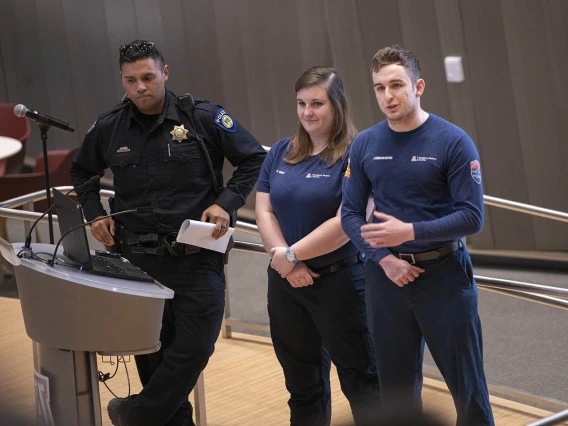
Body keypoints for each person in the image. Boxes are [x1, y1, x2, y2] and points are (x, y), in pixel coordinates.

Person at [70, 40, 266, 426]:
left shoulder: (202, 117)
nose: (140, 87)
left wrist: (225, 203)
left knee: (196, 347)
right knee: (152, 353)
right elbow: (82, 173)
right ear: (122, 80)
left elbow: (254, 157)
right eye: (131, 80)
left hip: (197, 258)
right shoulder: (109, 127)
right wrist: (93, 213)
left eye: (147, 77)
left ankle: (133, 413)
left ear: (165, 72)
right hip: (139, 261)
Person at [341, 45, 494, 425]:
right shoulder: (365, 144)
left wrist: (408, 231)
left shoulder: (453, 141)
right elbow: (350, 214)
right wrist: (385, 260)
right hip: (385, 279)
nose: (387, 96)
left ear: (418, 86)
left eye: (396, 85)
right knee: (395, 393)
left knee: (468, 389)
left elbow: (472, 217)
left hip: (442, 275)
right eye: (379, 88)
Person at [256, 66, 381, 426]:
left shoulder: (358, 153)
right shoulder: (282, 150)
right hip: (285, 283)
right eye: (301, 104)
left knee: (362, 383)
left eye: (317, 103)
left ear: (337, 105)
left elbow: (347, 221)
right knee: (302, 386)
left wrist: (292, 255)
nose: (308, 112)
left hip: (339, 284)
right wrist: (286, 262)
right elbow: (263, 209)